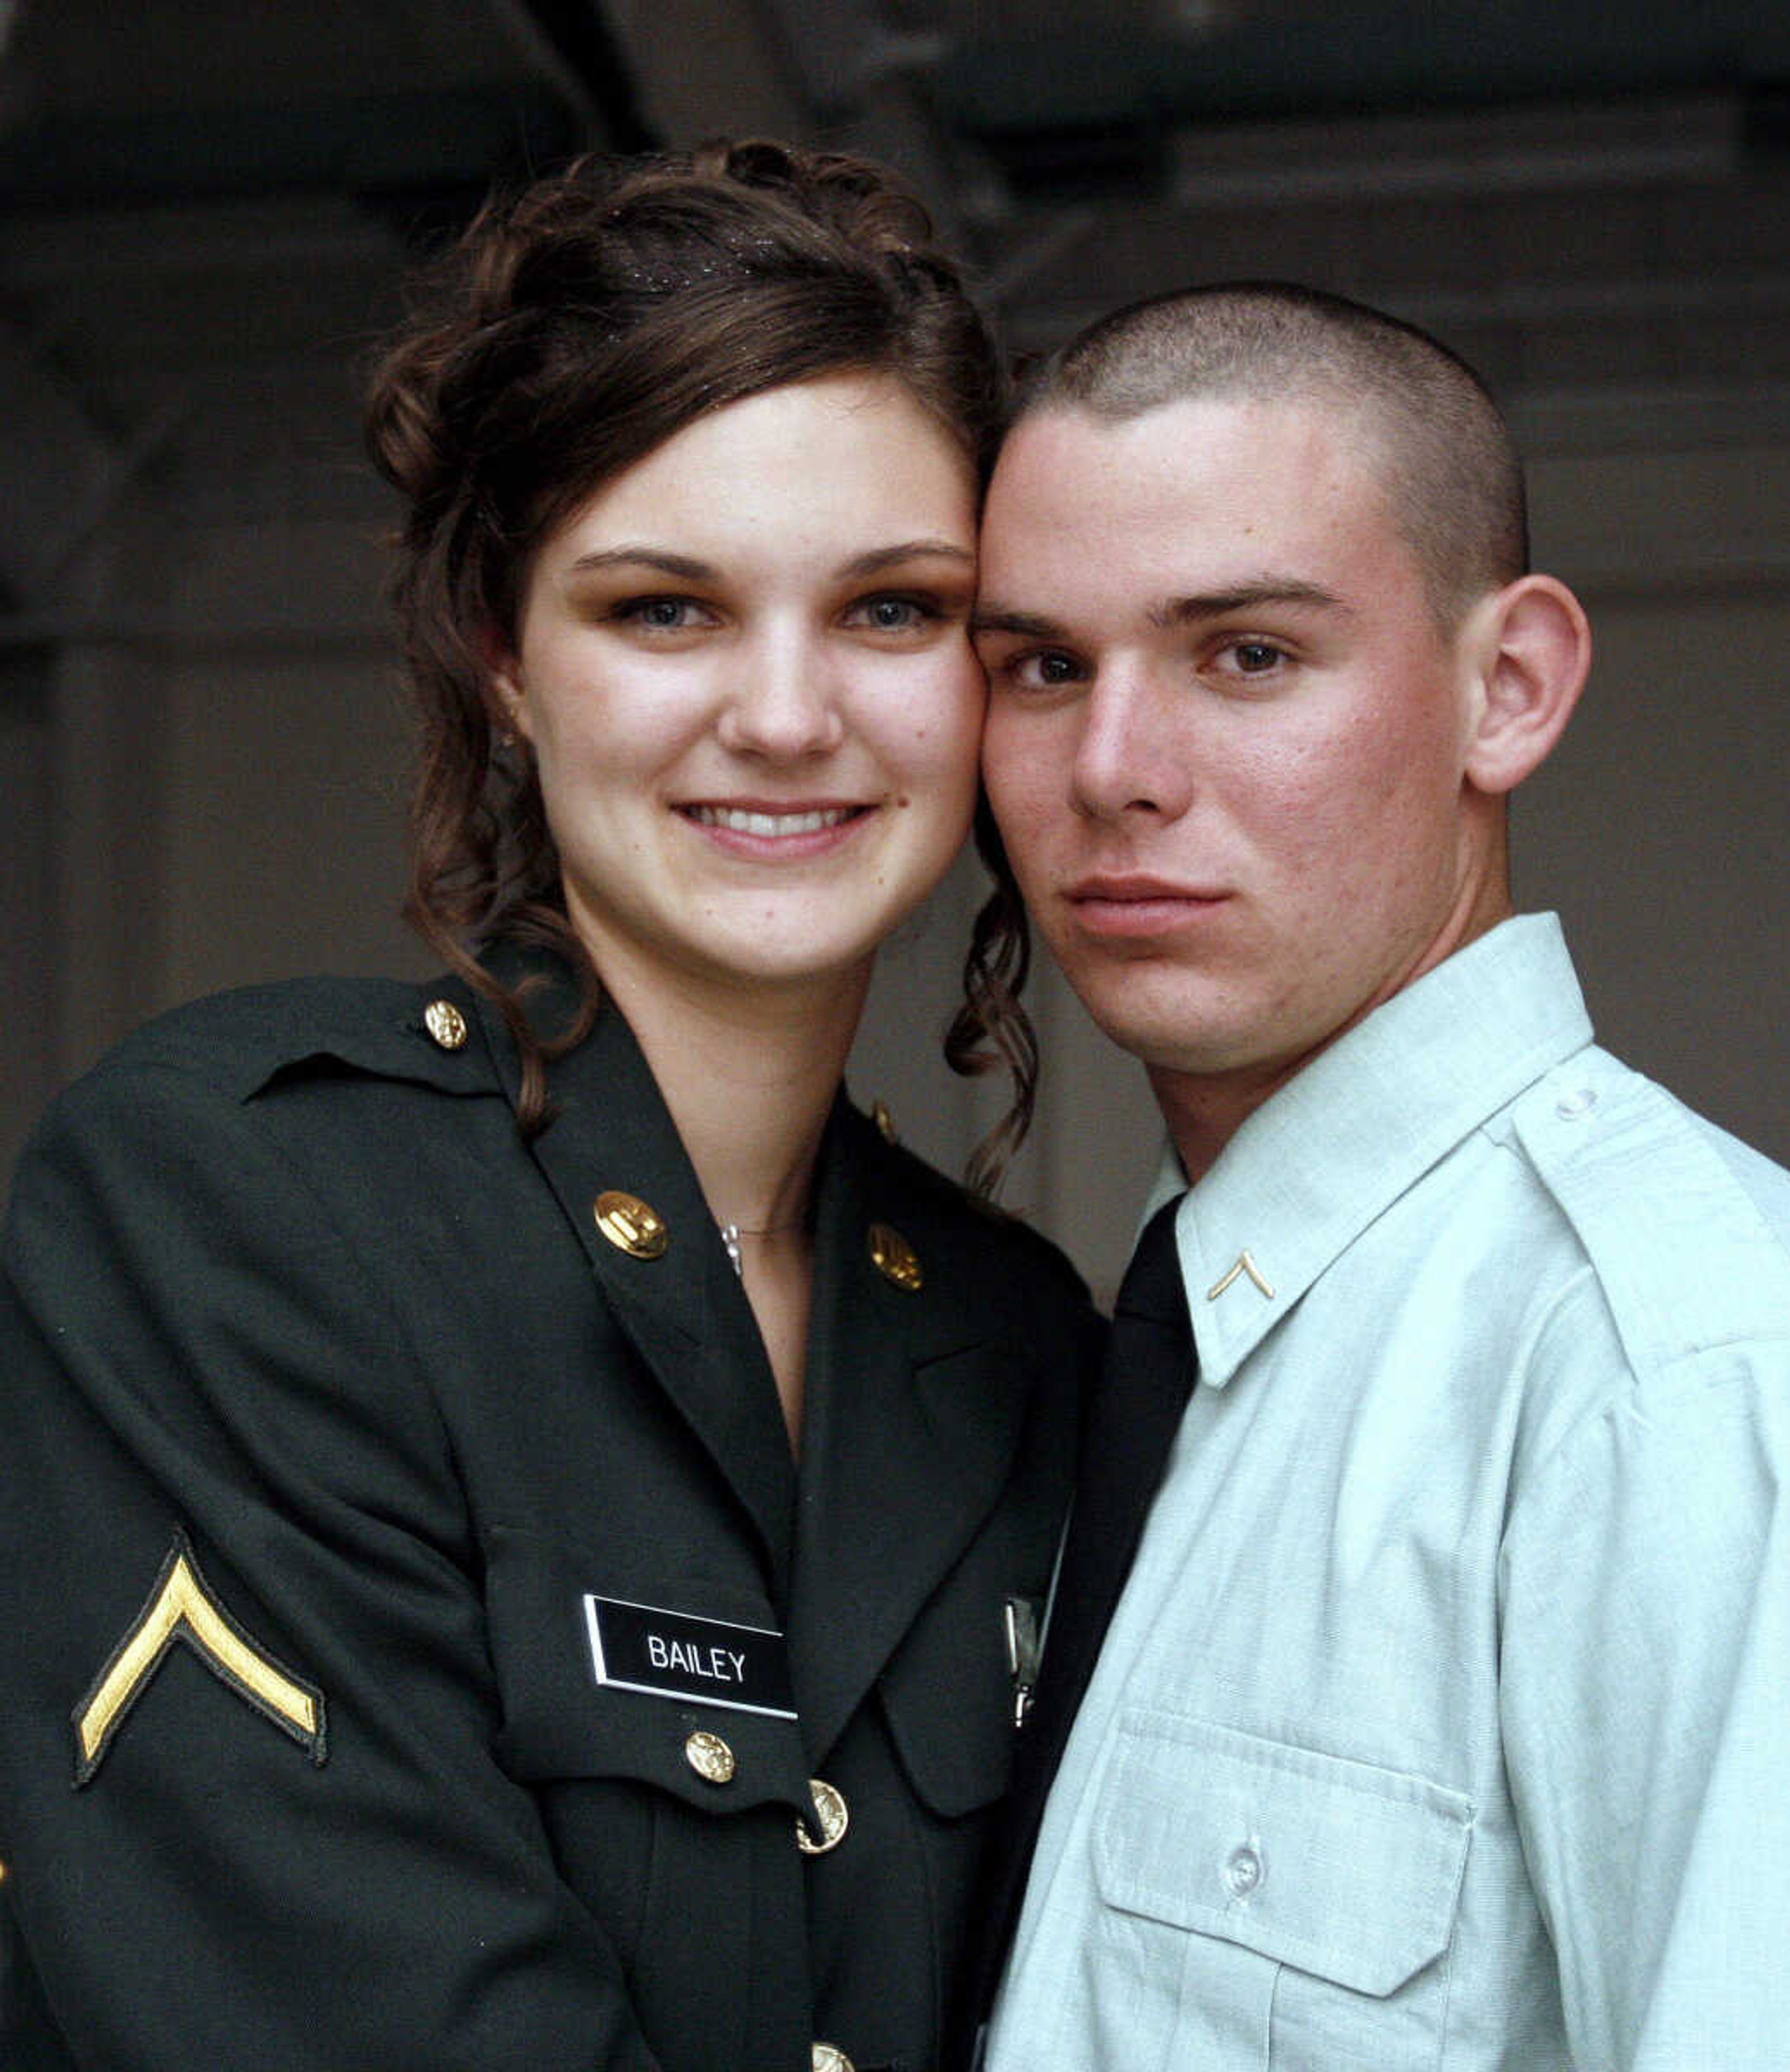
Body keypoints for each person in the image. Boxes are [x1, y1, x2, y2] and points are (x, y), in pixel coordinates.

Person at [0, 140, 1098, 2072]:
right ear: (505, 659)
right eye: (664, 609)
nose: (782, 711)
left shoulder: (1020, 1349)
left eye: (893, 609)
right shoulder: (230, 1205)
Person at [957, 283, 1790, 2069]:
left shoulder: (1683, 1369)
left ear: (1506, 689)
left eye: (1247, 654)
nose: (1111, 770)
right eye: (1043, 665)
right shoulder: (1123, 1346)